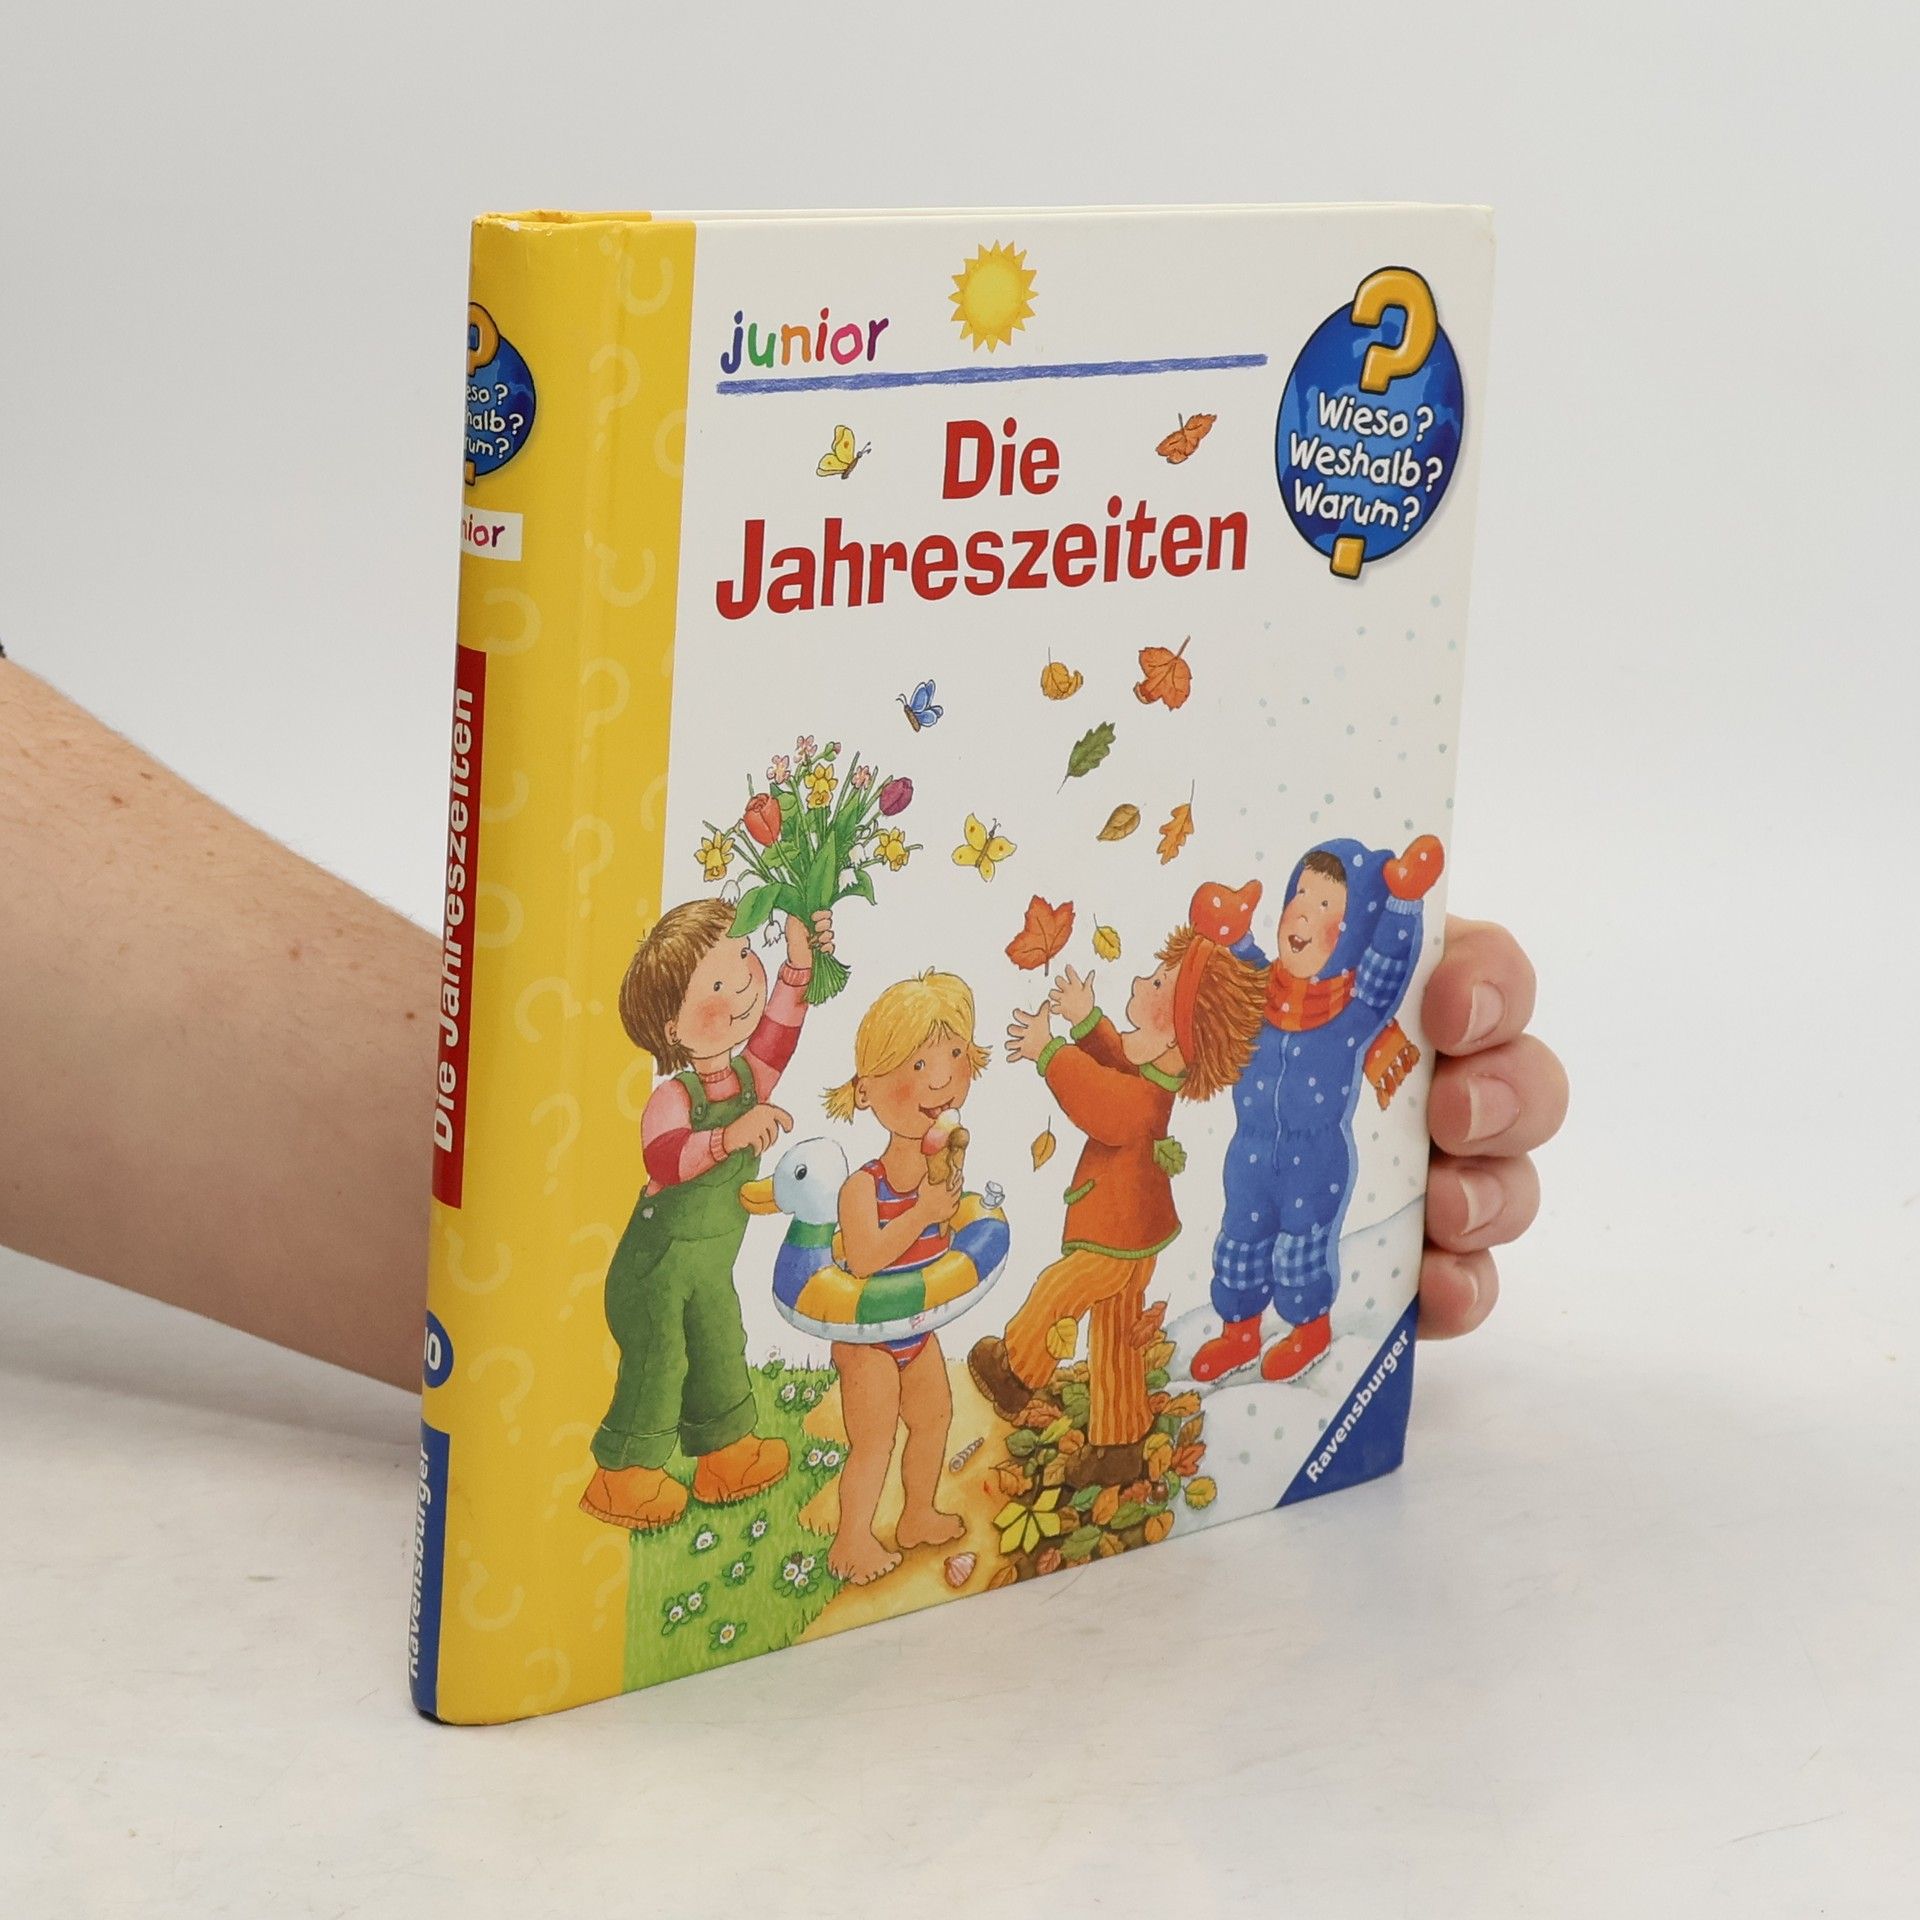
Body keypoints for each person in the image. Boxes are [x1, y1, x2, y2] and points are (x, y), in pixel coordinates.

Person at [0, 655, 1569, 1396]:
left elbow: (1132, 1092)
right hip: (879, 1257)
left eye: (1318, 916)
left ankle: (1274, 1330)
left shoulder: (1225, 1047)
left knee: (1165, 1276)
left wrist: (1384, 997)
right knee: (1000, 1332)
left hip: (1114, 1218)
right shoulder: (830, 1106)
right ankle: (1199, 1341)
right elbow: (739, 1119)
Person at [969, 928, 1264, 1488]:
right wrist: (1086, 1023)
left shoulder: (1142, 1102)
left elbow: (1101, 1101)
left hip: (1115, 1232)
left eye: (1157, 984)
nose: (1140, 981)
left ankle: (1016, 1370)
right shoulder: (1155, 1076)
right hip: (1136, 1233)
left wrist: (1050, 1053)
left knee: (1061, 1290)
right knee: (1118, 1333)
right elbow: (1120, 1064)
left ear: (1175, 1038)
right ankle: (1121, 1444)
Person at [578, 897, 833, 1532]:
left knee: (720, 1344)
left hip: (709, 1268)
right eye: (717, 985)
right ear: (673, 1029)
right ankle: (623, 1476)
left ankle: (727, 1456)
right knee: (660, 1363)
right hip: (654, 1272)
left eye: (743, 956)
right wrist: (729, 1137)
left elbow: (778, 1034)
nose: (744, 981)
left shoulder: (748, 1079)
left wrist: (798, 965)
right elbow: (665, 1158)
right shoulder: (674, 1097)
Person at [820, 971, 987, 1584]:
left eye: (953, 1055)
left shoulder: (942, 1171)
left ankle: (917, 1514)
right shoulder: (862, 1187)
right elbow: (864, 1258)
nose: (940, 1078)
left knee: (934, 1417)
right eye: (919, 1064)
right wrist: (921, 1211)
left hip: (916, 1326)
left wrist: (950, 1208)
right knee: (873, 1440)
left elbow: (947, 1243)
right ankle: (851, 1542)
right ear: (866, 1091)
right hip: (867, 1336)